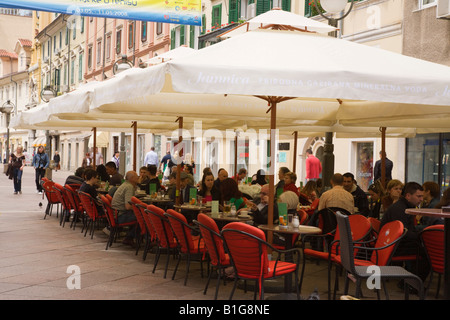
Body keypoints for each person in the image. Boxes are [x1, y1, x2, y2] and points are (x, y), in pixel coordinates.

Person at [380, 182, 429, 281]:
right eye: (418, 196)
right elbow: (403, 233)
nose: (421, 199)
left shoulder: (403, 206)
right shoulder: (401, 210)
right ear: (408, 196)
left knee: (424, 248)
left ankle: (409, 281)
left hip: (391, 243)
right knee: (427, 253)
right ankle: (411, 284)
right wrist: (421, 236)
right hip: (392, 246)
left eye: (422, 196)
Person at [111, 171, 139, 247]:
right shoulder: (129, 187)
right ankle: (129, 238)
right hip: (120, 216)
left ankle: (130, 237)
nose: (138, 177)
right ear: (132, 178)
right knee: (142, 218)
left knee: (138, 215)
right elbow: (128, 207)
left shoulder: (125, 185)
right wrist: (138, 208)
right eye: (137, 176)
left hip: (115, 214)